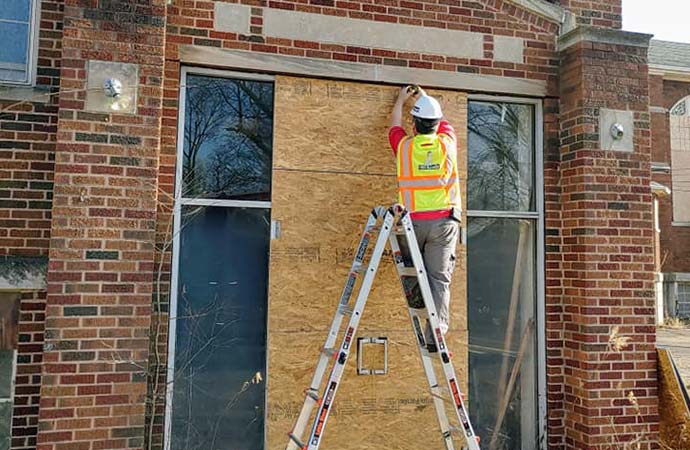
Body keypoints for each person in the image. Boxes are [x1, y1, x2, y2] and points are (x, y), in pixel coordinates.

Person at [389, 85, 462, 353]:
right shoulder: (448, 143)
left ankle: (417, 299)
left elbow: (394, 125)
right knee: (439, 279)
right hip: (444, 224)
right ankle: (436, 336)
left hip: (412, 224)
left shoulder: (405, 147)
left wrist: (401, 99)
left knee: (414, 271)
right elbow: (444, 124)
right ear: (436, 123)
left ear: (414, 123)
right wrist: (424, 96)